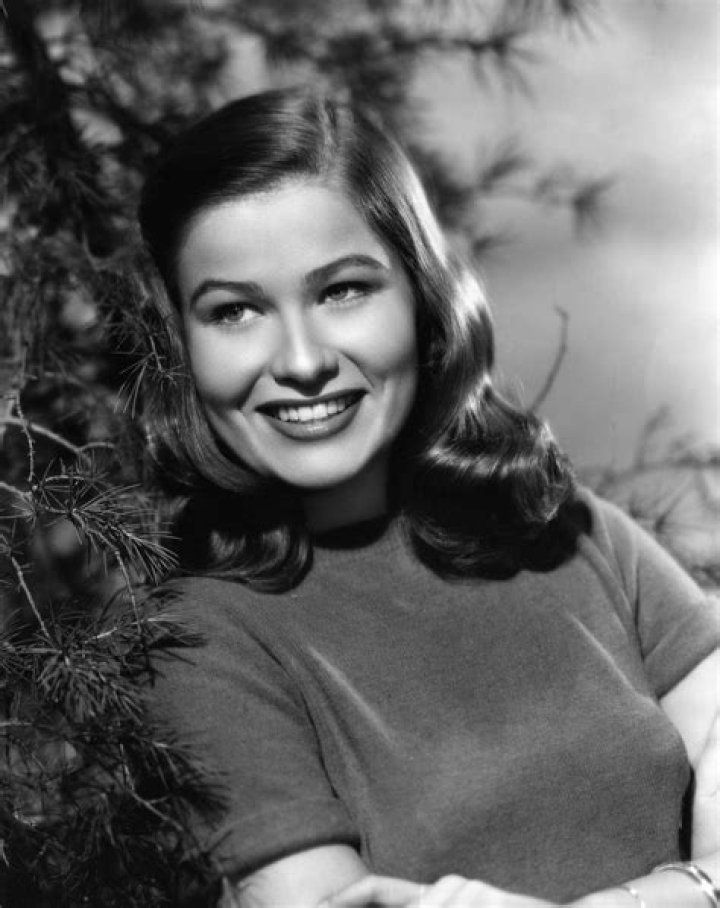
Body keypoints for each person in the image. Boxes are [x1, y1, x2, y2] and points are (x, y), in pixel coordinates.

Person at [138, 87, 719, 908]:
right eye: (234, 310)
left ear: (422, 296)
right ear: (180, 347)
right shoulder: (200, 639)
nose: (301, 360)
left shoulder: (568, 527)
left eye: (343, 290)